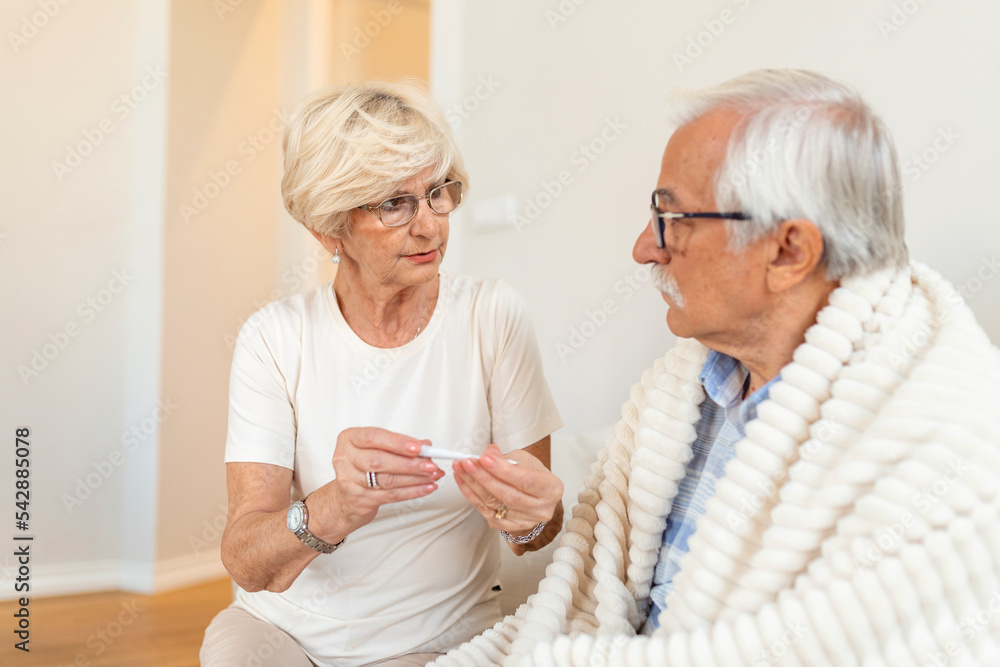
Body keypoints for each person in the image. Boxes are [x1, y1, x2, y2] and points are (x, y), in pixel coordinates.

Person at [431, 69, 1000, 666]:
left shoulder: (945, 439)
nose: (643, 248)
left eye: (672, 219)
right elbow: (583, 597)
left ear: (788, 252)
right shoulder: (683, 386)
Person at [200, 81, 565, 667]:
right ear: (329, 229)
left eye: (437, 193)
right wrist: (337, 505)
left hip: (439, 643)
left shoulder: (492, 315)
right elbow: (246, 560)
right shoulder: (274, 338)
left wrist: (527, 519)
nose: (430, 227)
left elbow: (536, 530)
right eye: (395, 204)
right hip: (282, 632)